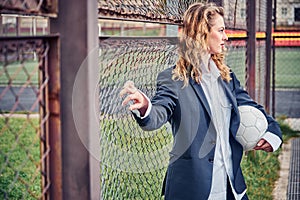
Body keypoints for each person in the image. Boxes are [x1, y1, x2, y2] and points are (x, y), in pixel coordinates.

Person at [120, 2, 282, 200]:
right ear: (203, 32)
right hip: (192, 189)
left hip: (232, 190)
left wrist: (273, 132)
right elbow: (157, 114)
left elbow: (251, 106)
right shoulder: (174, 79)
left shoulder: (226, 77)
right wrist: (145, 107)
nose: (226, 37)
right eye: (221, 30)